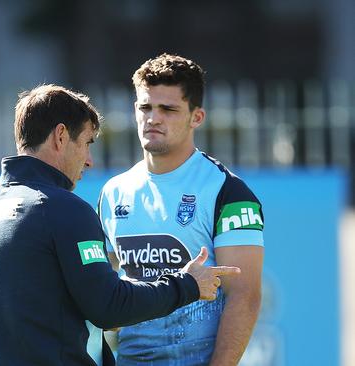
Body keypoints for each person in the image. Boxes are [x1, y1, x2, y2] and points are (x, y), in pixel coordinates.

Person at [0, 84, 241, 366]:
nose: (89, 161)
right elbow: (110, 307)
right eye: (87, 142)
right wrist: (188, 284)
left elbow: (36, 311)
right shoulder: (63, 208)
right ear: (60, 136)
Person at [98, 53, 264, 365]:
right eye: (145, 107)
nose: (153, 118)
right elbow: (103, 292)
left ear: (196, 117)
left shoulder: (228, 192)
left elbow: (245, 296)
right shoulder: (113, 192)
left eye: (168, 109)